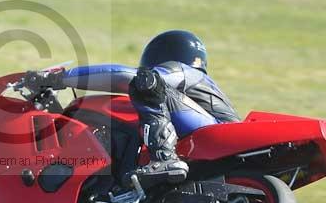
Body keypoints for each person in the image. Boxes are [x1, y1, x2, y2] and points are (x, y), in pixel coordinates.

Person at [26, 30, 239, 189]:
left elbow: (125, 77)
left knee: (147, 82)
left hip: (216, 135)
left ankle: (164, 159)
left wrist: (58, 78)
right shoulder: (199, 87)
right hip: (214, 149)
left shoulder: (184, 71)